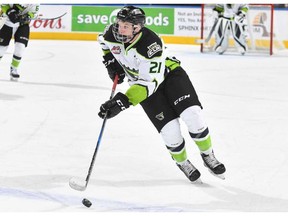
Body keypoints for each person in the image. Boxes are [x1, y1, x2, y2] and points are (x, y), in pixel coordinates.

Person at [97, 6, 226, 182]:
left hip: (168, 77)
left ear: (137, 27)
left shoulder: (151, 45)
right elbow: (103, 42)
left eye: (125, 26)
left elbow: (149, 84)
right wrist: (110, 61)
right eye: (119, 23)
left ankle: (208, 155)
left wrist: (122, 101)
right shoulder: (110, 34)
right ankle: (182, 162)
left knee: (193, 116)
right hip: (141, 86)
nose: (120, 29)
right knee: (170, 131)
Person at [0, 4, 39, 80]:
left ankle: (14, 69)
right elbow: (3, 4)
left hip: (22, 24)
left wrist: (27, 16)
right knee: (1, 49)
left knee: (20, 47)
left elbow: (34, 13)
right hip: (7, 22)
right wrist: (9, 11)